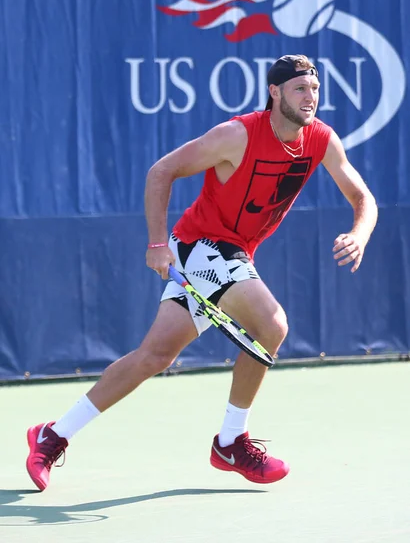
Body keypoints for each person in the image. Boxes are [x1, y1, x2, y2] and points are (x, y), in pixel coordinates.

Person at [26, 54, 378, 491]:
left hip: (233, 253)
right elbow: (162, 171)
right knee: (271, 324)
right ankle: (231, 441)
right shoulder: (236, 135)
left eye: (315, 89)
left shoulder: (322, 140)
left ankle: (51, 435)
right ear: (275, 92)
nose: (311, 98)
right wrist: (157, 244)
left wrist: (359, 235)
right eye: (300, 89)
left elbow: (363, 197)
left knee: (154, 357)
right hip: (201, 246)